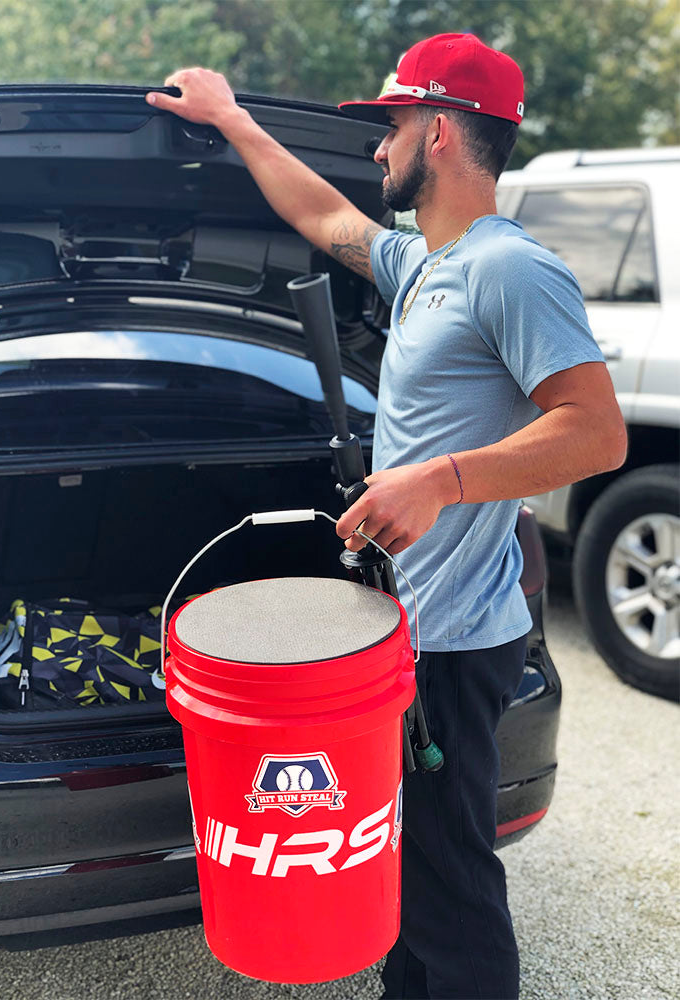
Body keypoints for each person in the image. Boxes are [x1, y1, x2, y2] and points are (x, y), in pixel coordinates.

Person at [146, 32, 626, 1000]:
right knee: (402, 869)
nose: (376, 150)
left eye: (391, 125)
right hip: (406, 634)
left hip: (455, 646)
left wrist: (438, 479)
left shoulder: (509, 270)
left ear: (440, 131)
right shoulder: (423, 265)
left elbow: (597, 433)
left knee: (449, 880)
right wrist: (232, 118)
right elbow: (320, 213)